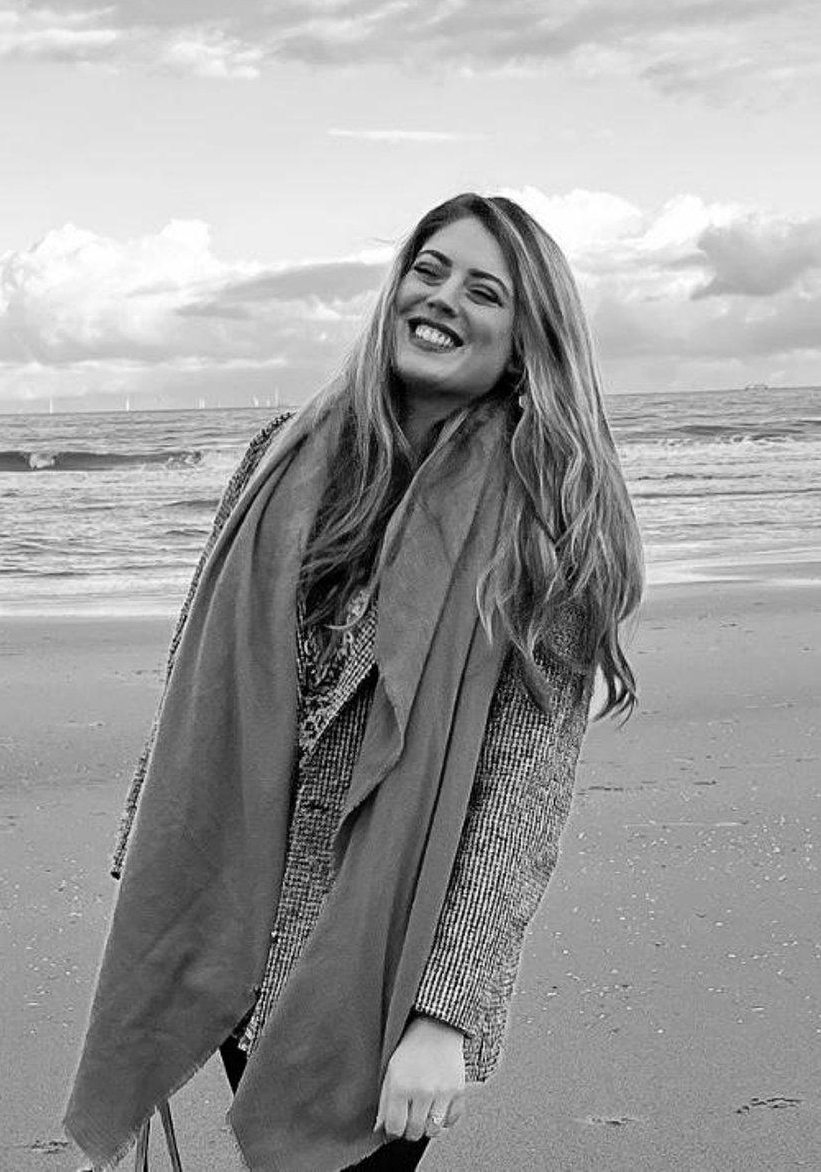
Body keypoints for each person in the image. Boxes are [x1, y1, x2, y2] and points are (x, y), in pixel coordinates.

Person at [65, 194, 643, 1172]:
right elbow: (194, 675)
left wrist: (447, 1013)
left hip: (383, 952)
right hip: (235, 908)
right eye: (429, 269)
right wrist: (154, 875)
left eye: (484, 291)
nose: (442, 298)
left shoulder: (545, 514)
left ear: (525, 341)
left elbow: (525, 786)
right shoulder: (284, 453)